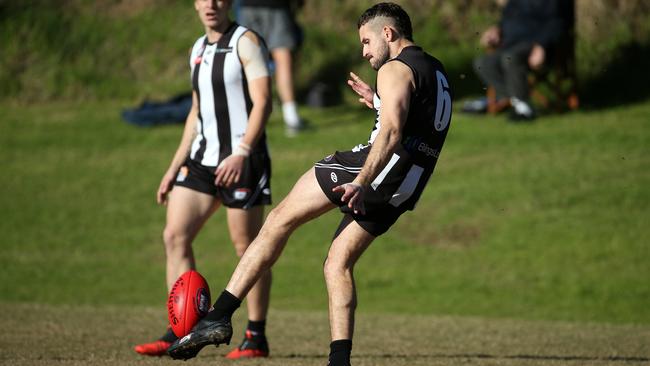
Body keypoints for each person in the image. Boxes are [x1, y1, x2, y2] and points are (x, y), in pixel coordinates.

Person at [167, 3, 452, 365]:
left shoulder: (395, 68)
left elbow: (393, 131)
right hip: (405, 185)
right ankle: (339, 359)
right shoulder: (436, 70)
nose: (364, 52)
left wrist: (362, 181)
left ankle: (219, 316)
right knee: (337, 263)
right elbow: (415, 123)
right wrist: (378, 101)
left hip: (371, 170)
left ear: (388, 33)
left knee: (278, 220)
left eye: (366, 42)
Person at [134, 0, 274, 360]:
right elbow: (196, 110)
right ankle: (180, 330)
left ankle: (255, 337)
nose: (211, 4)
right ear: (196, 4)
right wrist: (173, 167)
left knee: (247, 249)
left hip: (243, 160)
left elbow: (263, 103)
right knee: (174, 236)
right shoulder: (198, 48)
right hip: (201, 161)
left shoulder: (246, 41)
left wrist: (242, 151)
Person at [464, 0, 566, 120]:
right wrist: (496, 31)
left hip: (534, 45)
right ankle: (514, 99)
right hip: (510, 44)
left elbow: (557, 23)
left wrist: (542, 46)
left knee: (510, 58)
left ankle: (523, 108)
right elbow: (506, 20)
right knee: (483, 63)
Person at [236, 0, 305, 136]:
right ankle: (291, 117)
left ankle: (243, 117)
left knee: (246, 60)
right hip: (276, 6)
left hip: (247, 5)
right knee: (282, 59)